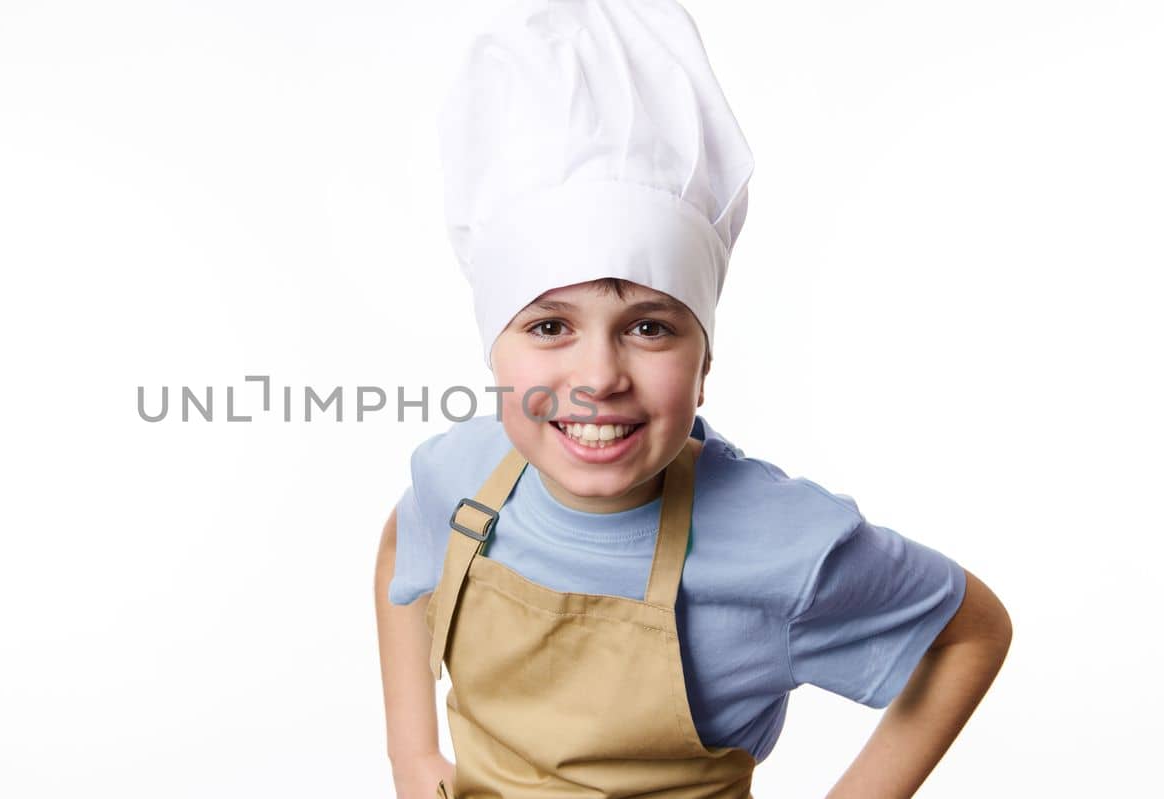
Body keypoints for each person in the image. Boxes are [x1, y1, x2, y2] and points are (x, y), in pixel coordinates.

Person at [371, 1, 1013, 798]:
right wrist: (411, 750)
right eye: (548, 325)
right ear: (494, 353)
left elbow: (968, 632)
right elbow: (406, 537)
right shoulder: (461, 469)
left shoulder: (781, 540)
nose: (599, 374)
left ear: (705, 359)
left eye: (648, 326)